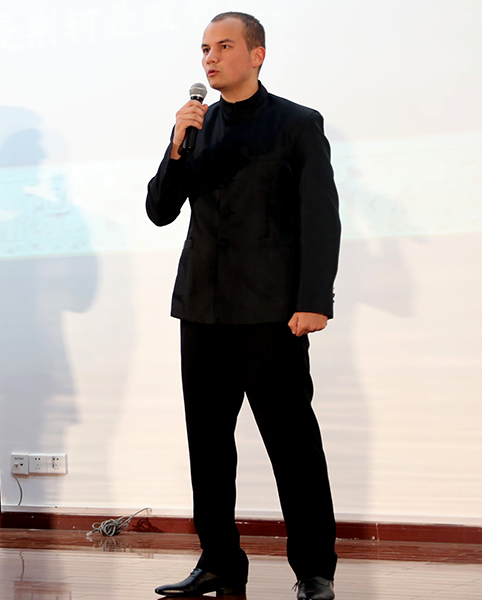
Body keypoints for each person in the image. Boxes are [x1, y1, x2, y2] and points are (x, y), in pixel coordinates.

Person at [145, 12, 341, 600]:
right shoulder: (196, 127)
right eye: (205, 49)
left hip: (271, 313)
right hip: (202, 309)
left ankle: (314, 569)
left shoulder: (297, 124)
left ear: (257, 55)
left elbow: (320, 218)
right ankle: (219, 561)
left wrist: (314, 300)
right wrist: (176, 147)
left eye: (223, 46)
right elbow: (160, 210)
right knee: (207, 446)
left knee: (293, 445)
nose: (210, 58)